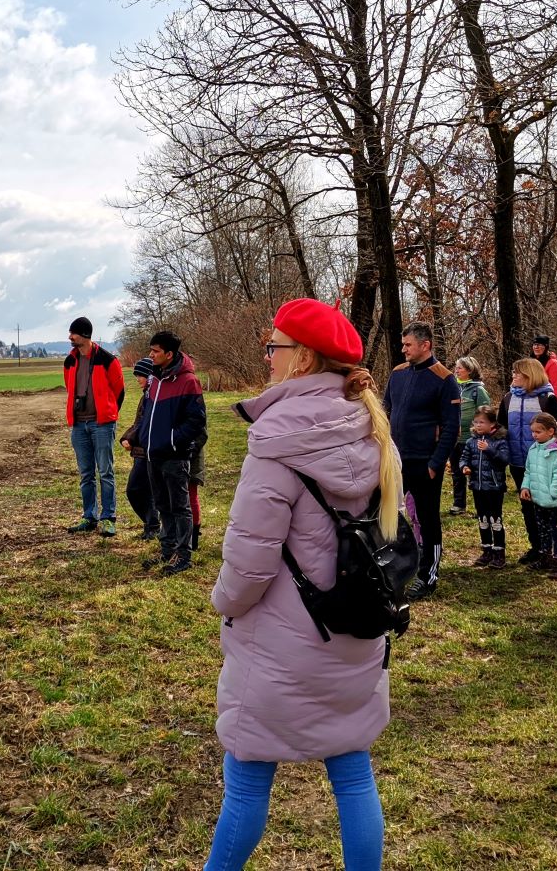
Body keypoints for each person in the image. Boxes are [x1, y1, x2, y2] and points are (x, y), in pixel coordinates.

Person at [207, 297, 401, 870]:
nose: (267, 357)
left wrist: (225, 606)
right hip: (358, 627)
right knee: (352, 772)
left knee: (245, 780)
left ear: (303, 357)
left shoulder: (277, 437)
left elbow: (250, 559)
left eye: (274, 347)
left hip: (281, 642)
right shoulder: (373, 425)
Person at [383, 321, 460, 598]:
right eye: (403, 344)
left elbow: (452, 427)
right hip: (395, 460)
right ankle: (390, 568)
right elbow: (385, 410)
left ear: (425, 345)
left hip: (425, 463)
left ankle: (428, 576)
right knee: (386, 515)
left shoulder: (444, 379)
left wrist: (435, 464)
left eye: (408, 345)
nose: (403, 349)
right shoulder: (398, 374)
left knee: (427, 519)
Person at [138, 331, 207, 575]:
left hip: (174, 457)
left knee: (180, 507)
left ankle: (183, 554)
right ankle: (167, 550)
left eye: (155, 351)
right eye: (151, 350)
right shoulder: (154, 379)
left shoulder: (189, 381)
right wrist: (143, 438)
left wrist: (171, 441)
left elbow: (196, 421)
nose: (151, 355)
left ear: (169, 354)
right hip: (152, 455)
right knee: (162, 504)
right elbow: (147, 412)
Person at [498, 358, 557, 566]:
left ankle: (556, 552)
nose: (514, 376)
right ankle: (537, 548)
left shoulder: (546, 398)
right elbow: (501, 426)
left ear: (530, 375)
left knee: (548, 508)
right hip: (520, 463)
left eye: (517, 373)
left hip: (546, 462)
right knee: (528, 506)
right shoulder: (508, 398)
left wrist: (554, 447)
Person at [63, 316, 126, 536]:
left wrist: (108, 413)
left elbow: (119, 390)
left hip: (102, 425)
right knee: (86, 473)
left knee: (106, 472)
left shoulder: (108, 359)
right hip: (79, 426)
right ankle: (89, 517)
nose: (70, 337)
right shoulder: (70, 361)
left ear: (85, 335)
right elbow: (69, 388)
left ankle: (108, 518)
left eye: (73, 333)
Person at [521, 412, 557, 579]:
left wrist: (554, 493)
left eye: (538, 432)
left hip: (553, 501)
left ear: (551, 431)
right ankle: (545, 557)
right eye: (533, 432)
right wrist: (525, 487)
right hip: (537, 499)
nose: (534, 435)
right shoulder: (533, 449)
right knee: (542, 530)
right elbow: (528, 471)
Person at [458, 405, 509, 568]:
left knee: (495, 519)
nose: (478, 425)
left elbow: (504, 459)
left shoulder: (500, 441)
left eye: (482, 422)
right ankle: (486, 550)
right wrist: (464, 467)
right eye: (476, 422)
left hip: (494, 487)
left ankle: (499, 552)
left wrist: (489, 449)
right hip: (477, 486)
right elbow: (464, 457)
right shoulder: (471, 441)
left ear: (492, 424)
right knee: (483, 519)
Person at [121, 357, 160, 542]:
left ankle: (152, 525)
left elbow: (144, 425)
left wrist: (129, 437)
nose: (138, 380)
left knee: (135, 489)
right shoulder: (146, 396)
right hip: (141, 450)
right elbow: (138, 423)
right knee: (144, 490)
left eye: (140, 376)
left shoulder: (152, 397)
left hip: (146, 451)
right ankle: (151, 525)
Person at [448, 356, 491, 515]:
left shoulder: (477, 389)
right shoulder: (454, 387)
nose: (456, 370)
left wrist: (480, 432)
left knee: (474, 471)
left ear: (470, 370)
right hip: (455, 438)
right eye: (456, 367)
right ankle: (459, 504)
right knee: (456, 471)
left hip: (471, 439)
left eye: (460, 368)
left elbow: (485, 413)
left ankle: (482, 505)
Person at [531, 335, 557, 402]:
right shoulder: (531, 362)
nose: (536, 347)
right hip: (533, 400)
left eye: (539, 345)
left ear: (546, 347)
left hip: (548, 400)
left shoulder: (553, 364)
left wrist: (556, 403)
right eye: (534, 345)